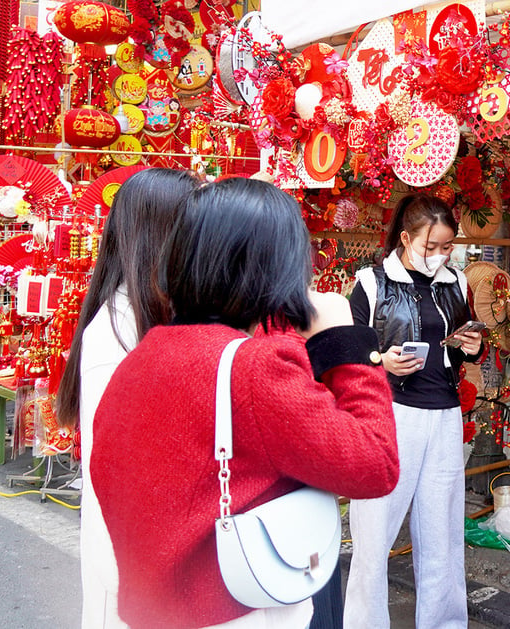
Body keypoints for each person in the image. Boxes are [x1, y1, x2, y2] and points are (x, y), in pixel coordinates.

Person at [89, 178, 400, 629]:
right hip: (238, 613)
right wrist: (345, 340)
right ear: (276, 267)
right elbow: (376, 463)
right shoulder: (251, 368)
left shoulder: (142, 358)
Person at [56, 168, 199, 629]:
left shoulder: (144, 321)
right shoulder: (116, 334)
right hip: (133, 577)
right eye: (196, 224)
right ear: (166, 234)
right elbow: (125, 478)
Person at [343, 193, 483, 629]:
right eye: (431, 247)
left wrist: (472, 348)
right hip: (391, 416)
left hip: (443, 414)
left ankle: (444, 623)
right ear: (405, 238)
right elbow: (347, 350)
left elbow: (460, 345)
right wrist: (378, 360)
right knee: (374, 535)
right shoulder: (370, 282)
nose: (440, 256)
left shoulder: (456, 283)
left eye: (447, 247)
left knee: (442, 534)